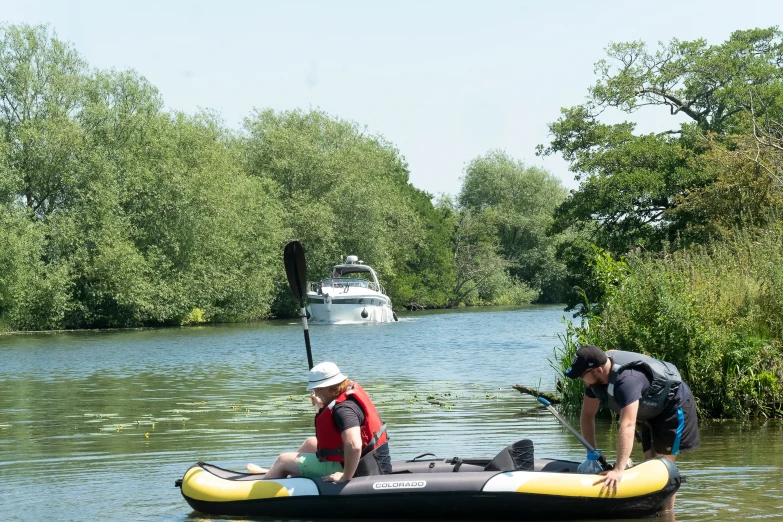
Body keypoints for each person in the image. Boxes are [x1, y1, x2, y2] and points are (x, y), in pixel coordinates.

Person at [564, 345, 699, 512]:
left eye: (582, 376)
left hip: (672, 406)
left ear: (598, 370)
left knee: (662, 468)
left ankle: (667, 515)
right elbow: (587, 415)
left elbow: (627, 424)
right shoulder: (594, 380)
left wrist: (618, 469)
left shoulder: (627, 381)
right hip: (648, 409)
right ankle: (650, 509)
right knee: (649, 462)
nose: (582, 381)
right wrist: (593, 454)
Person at [247, 361, 391, 482]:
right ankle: (277, 471)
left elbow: (354, 446)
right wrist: (321, 407)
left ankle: (277, 472)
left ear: (328, 388)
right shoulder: (344, 395)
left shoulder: (344, 410)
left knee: (283, 459)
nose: (314, 393)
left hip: (357, 468)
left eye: (317, 389)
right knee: (311, 442)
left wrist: (345, 477)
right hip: (366, 459)